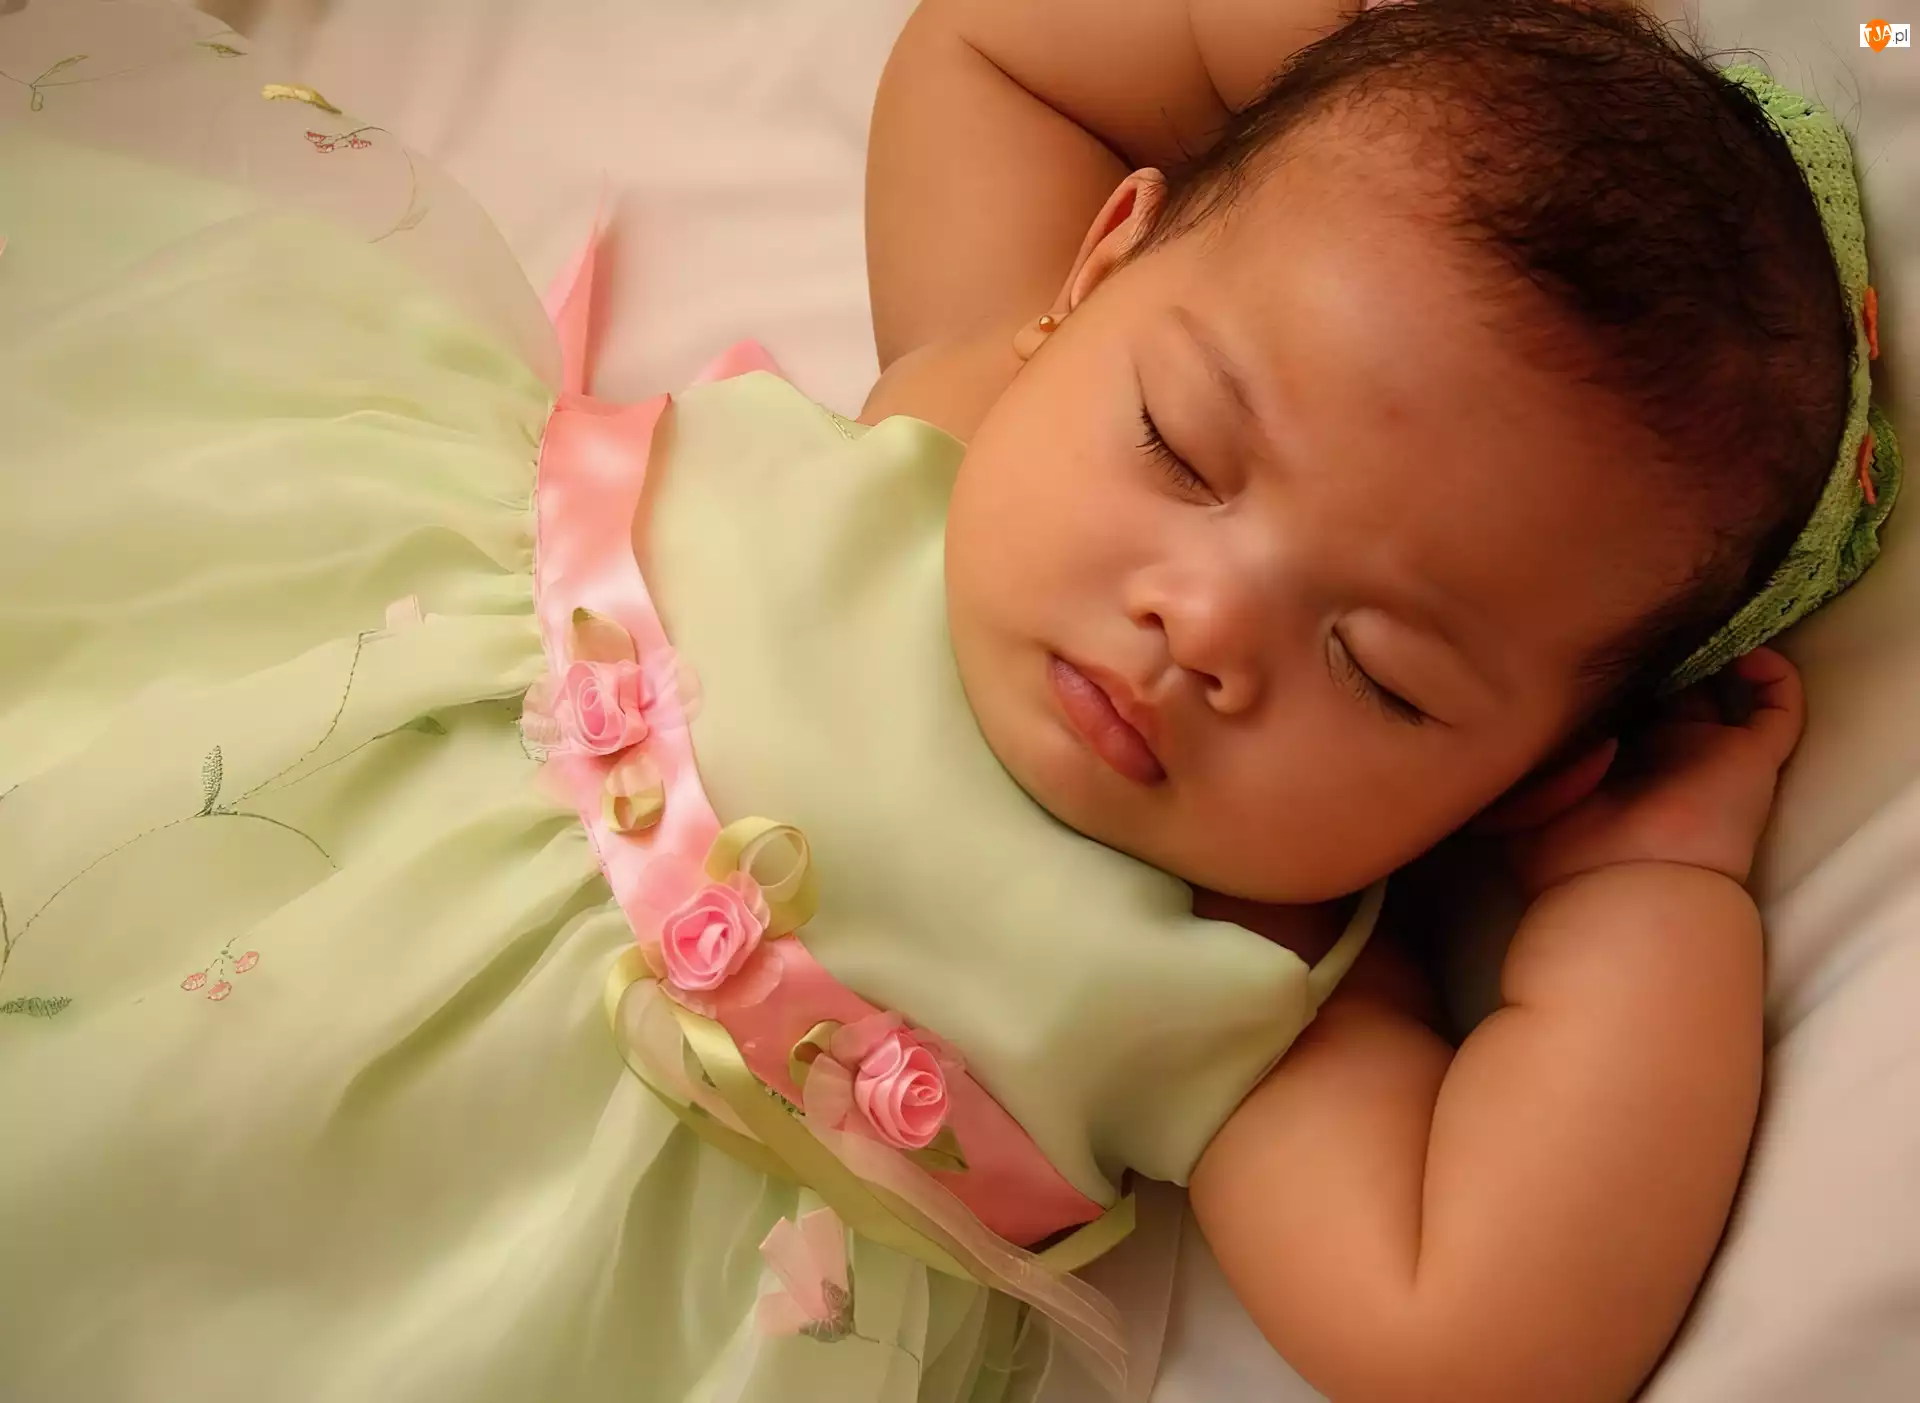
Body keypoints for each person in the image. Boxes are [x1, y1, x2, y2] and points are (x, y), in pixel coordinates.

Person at [0, 1, 1896, 1401]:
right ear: (1100, 264)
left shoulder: (1249, 983)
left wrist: (1650, 890)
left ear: (1524, 778)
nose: (1200, 624)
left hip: (466, 1288)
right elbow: (1002, 49)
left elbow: (1474, 1334)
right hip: (277, 800)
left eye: (1379, 671)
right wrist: (1425, 48)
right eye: (1185, 445)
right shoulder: (978, 395)